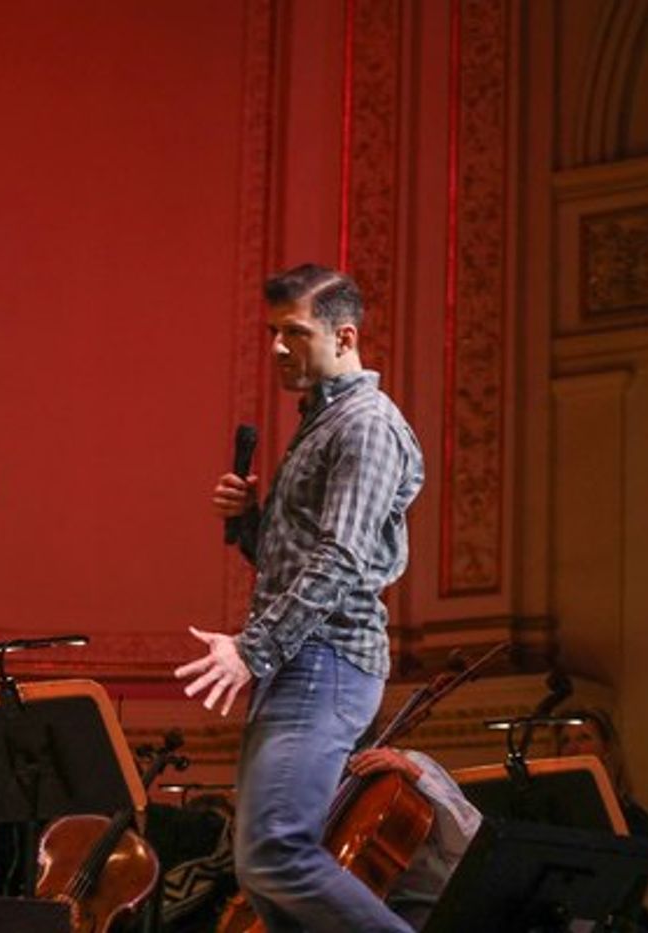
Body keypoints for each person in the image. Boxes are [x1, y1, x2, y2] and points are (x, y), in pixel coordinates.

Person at [174, 263, 424, 931]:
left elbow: (342, 560)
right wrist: (253, 521)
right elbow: (307, 558)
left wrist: (251, 650)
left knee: (276, 855)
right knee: (264, 875)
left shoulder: (365, 425)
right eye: (273, 332)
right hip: (302, 661)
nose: (279, 347)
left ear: (344, 336)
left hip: (324, 662)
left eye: (295, 332)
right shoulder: (325, 421)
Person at [346, 747, 482, 930]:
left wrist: (416, 774)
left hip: (431, 911)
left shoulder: (410, 761)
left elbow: (470, 841)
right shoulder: (311, 791)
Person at [556, 706, 648, 842]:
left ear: (606, 748)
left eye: (584, 738)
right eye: (565, 741)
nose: (572, 748)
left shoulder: (634, 818)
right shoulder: (552, 813)